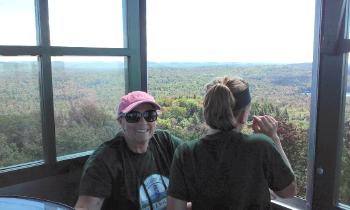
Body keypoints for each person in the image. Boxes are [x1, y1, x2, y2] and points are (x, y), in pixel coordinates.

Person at [167, 76, 297, 210]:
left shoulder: (186, 152)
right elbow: (289, 191)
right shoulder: (260, 146)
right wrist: (274, 138)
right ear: (242, 116)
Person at [75, 91, 183, 210]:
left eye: (150, 115)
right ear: (121, 121)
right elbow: (86, 207)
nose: (143, 122)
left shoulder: (165, 141)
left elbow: (196, 157)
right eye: (133, 116)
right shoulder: (104, 161)